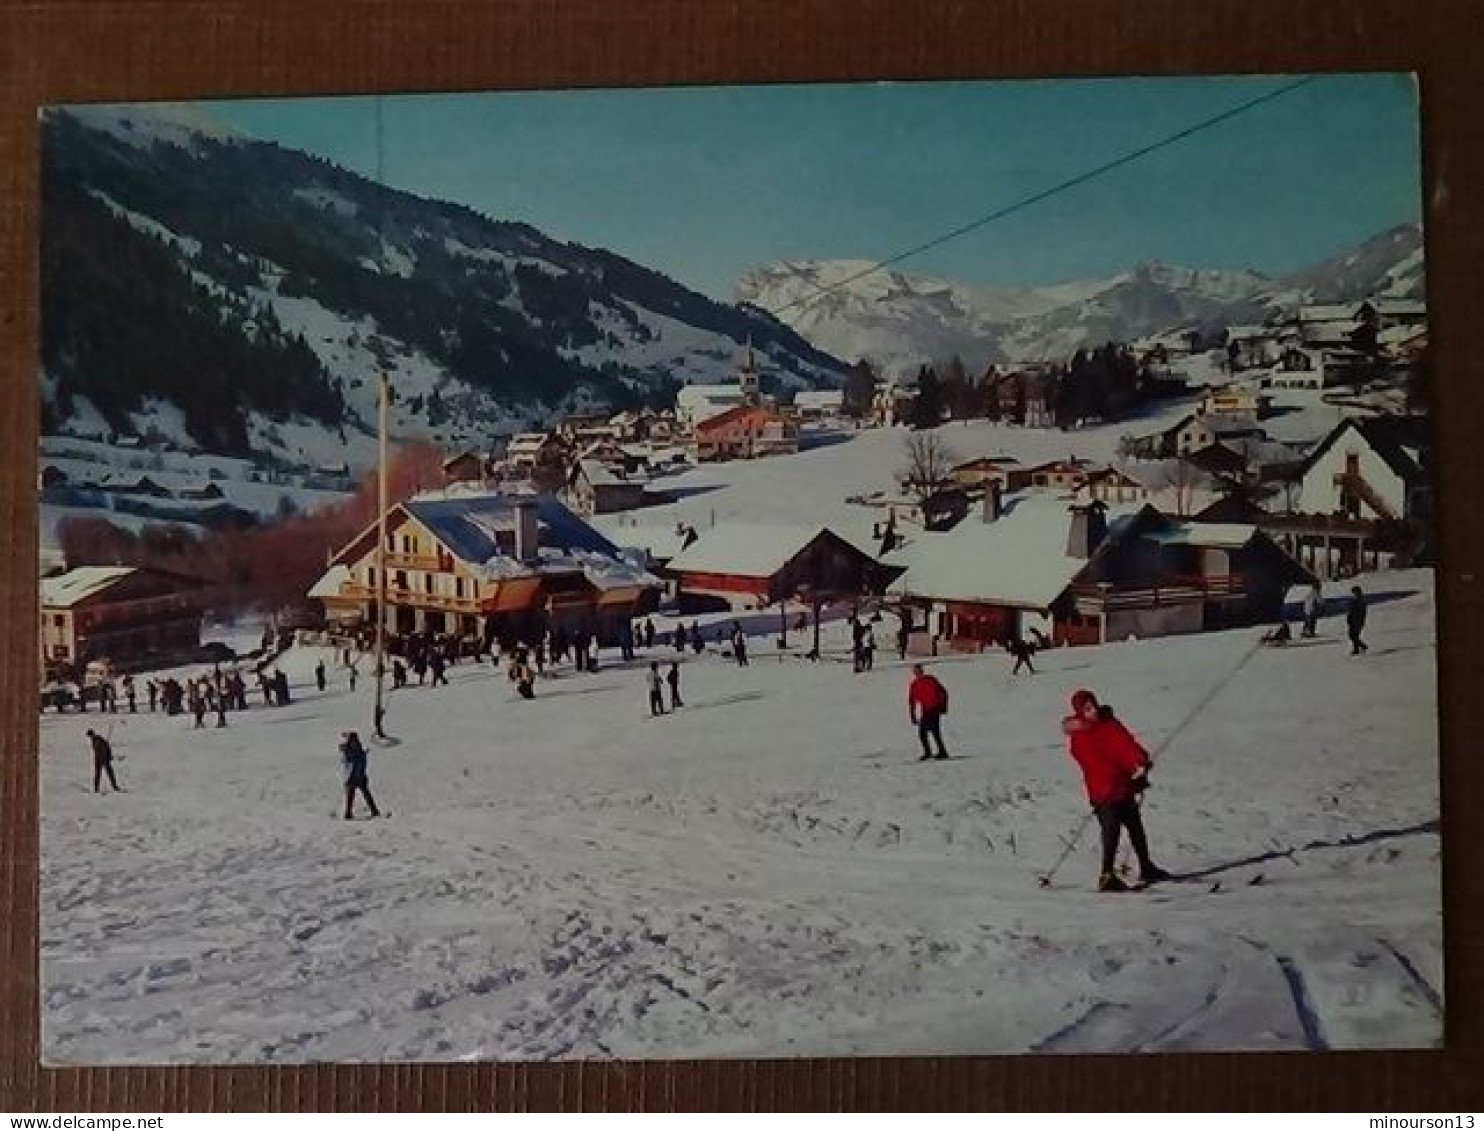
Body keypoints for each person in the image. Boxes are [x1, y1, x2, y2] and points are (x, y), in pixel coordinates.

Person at [1061, 689, 1170, 892]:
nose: (1093, 711)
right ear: (1079, 712)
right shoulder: (1081, 736)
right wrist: (1118, 773)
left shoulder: (1110, 724)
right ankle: (1107, 874)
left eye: (1093, 705)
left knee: (1136, 827)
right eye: (1087, 709)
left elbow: (1126, 745)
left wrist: (1140, 761)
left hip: (1123, 787)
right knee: (1111, 831)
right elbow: (1090, 760)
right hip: (1104, 792)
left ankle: (1146, 866)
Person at [907, 663, 949, 760]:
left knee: (933, 731)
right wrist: (913, 715)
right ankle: (932, 752)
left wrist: (943, 707)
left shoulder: (931, 680)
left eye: (919, 671)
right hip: (926, 710)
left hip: (935, 708)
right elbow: (912, 701)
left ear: (922, 671)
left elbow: (943, 692)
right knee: (925, 732)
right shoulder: (914, 685)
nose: (918, 673)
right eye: (916, 672)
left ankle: (938, 752)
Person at [339, 731, 380, 819]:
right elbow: (347, 760)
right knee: (350, 797)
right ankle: (348, 813)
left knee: (367, 795)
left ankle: (374, 811)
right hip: (351, 778)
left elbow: (363, 763)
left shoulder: (360, 751)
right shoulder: (347, 752)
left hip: (361, 777)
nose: (354, 743)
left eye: (355, 741)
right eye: (352, 741)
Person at [86, 728, 120, 793]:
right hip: (98, 759)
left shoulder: (99, 740)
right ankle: (96, 788)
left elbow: (107, 748)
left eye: (90, 736)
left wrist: (109, 756)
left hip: (104, 759)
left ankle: (115, 787)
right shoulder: (94, 740)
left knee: (110, 773)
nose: (90, 737)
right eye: (89, 736)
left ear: (92, 734)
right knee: (98, 774)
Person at [1347, 585, 1369, 655]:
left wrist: (1358, 620)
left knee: (1353, 635)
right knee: (1352, 635)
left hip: (1357, 621)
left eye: (1354, 592)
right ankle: (1361, 647)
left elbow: (1360, 612)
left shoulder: (1360, 601)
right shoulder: (1355, 600)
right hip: (1353, 620)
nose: (1353, 594)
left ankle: (1359, 649)